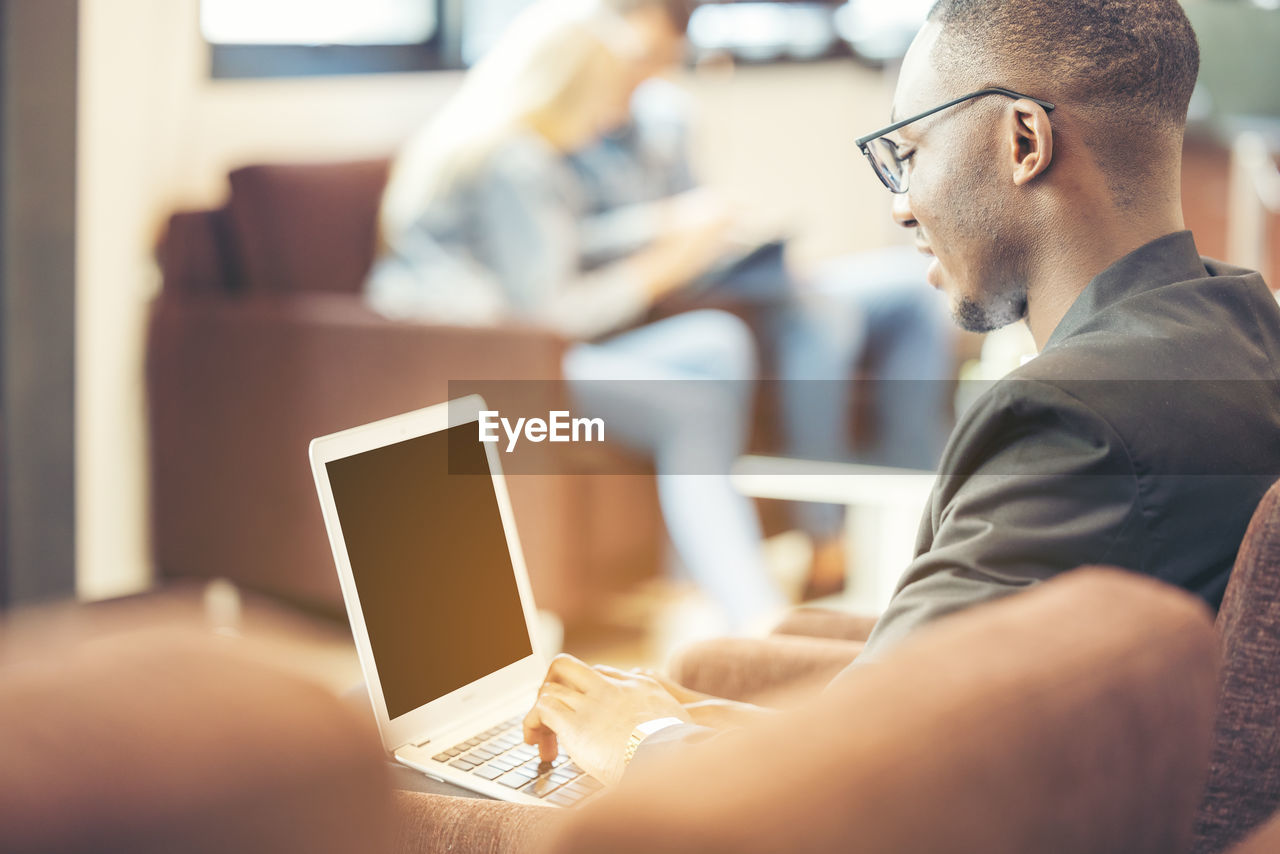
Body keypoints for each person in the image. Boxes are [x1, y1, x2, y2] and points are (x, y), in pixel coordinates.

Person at [519, 0, 1280, 787]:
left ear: (1025, 141)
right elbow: (904, 712)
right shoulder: (1248, 332)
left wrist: (643, 743)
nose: (899, 202)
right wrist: (686, 714)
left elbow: (856, 783)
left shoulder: (1071, 423)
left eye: (907, 152)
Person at [367, 4, 786, 632]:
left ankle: (690, 583)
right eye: (616, 91)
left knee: (716, 342)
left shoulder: (506, 142)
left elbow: (557, 243)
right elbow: (549, 314)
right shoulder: (514, 161)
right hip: (488, 359)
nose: (621, 113)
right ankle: (755, 616)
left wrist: (658, 224)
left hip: (496, 343)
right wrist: (662, 266)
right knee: (693, 405)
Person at [568, 0, 956, 571]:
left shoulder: (664, 118)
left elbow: (692, 209)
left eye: (665, 59)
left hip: (722, 276)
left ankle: (928, 513)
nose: (650, 74)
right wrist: (664, 238)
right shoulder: (563, 132)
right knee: (821, 317)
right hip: (667, 302)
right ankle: (823, 536)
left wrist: (730, 240)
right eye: (643, 59)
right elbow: (573, 260)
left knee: (911, 292)